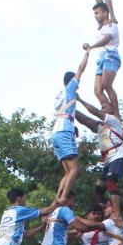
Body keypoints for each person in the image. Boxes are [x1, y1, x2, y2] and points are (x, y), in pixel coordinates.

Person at [51, 52, 89, 204]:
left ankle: (57, 199)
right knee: (75, 170)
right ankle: (63, 197)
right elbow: (81, 68)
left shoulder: (58, 95)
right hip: (64, 130)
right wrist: (87, 53)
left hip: (56, 132)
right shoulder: (70, 88)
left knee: (68, 172)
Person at [84, 1, 120, 117]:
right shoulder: (100, 27)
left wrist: (92, 46)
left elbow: (107, 38)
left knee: (106, 84)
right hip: (102, 58)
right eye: (94, 14)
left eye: (98, 13)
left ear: (105, 13)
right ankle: (108, 110)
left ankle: (116, 113)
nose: (96, 16)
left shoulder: (111, 25)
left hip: (111, 56)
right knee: (97, 90)